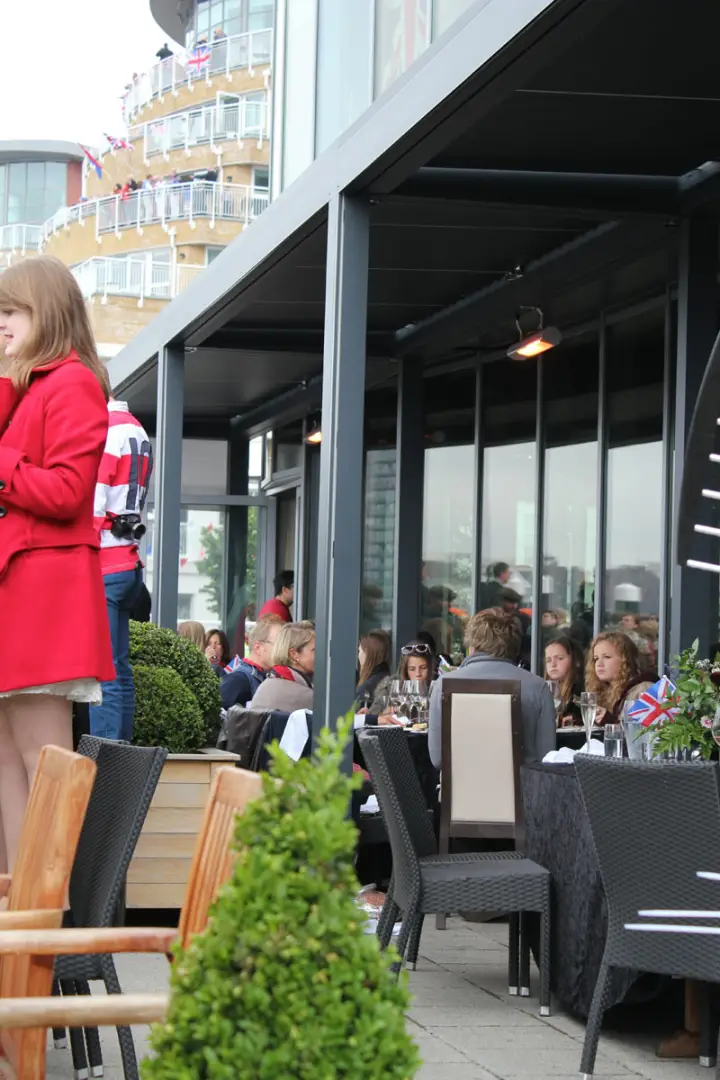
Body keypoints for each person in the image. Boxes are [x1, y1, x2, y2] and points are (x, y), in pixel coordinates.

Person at [0, 256, 115, 871]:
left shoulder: (72, 382)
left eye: (10, 312)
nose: (1, 324)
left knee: (40, 764)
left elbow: (69, 491)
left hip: (42, 597)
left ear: (45, 312)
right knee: (10, 764)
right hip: (22, 593)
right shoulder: (34, 384)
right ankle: (20, 917)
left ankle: (42, 922)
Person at [90, 395, 152, 742]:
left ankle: (104, 763)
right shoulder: (137, 430)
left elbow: (93, 507)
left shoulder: (106, 431)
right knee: (120, 671)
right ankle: (121, 756)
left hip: (106, 565)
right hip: (129, 562)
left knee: (104, 673)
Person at [428, 610, 556, 768]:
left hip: (461, 792)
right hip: (526, 791)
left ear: (472, 644)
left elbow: (437, 759)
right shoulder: (537, 687)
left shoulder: (444, 684)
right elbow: (547, 758)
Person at [585, 631, 656, 725]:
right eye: (596, 658)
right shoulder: (604, 691)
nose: (599, 664)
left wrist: (609, 722)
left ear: (625, 660)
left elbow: (643, 734)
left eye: (607, 657)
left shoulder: (644, 689)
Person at [220, 616, 283, 711]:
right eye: (279, 644)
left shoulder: (264, 676)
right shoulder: (237, 681)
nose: (283, 649)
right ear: (258, 648)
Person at [250, 622, 314, 713]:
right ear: (294, 654)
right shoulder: (307, 696)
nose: (321, 655)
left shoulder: (267, 684)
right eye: (314, 651)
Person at [368, 640, 435, 720]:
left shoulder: (437, 689)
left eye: (423, 668)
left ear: (430, 668)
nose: (418, 674)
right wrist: (383, 714)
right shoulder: (389, 689)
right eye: (412, 669)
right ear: (405, 670)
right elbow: (372, 716)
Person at [544, 635, 585, 725]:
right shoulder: (543, 690)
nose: (553, 664)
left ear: (576, 660)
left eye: (559, 658)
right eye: (548, 660)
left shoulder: (582, 690)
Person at [356, 630, 392, 704]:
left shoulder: (366, 689)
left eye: (359, 651)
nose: (358, 656)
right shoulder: (389, 680)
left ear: (367, 654)